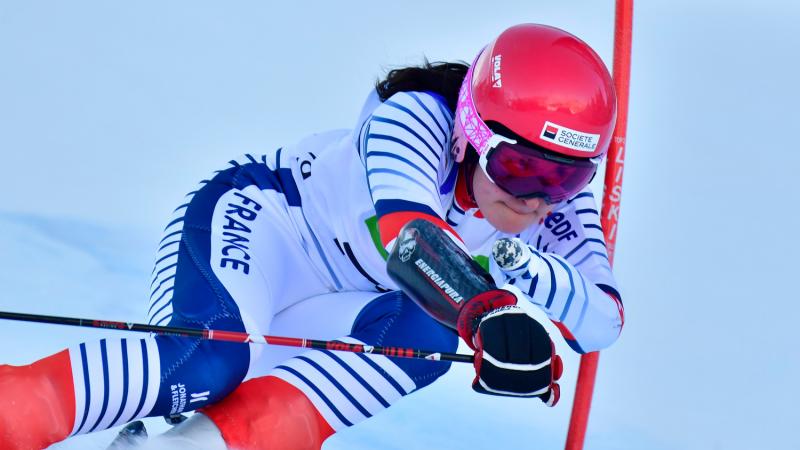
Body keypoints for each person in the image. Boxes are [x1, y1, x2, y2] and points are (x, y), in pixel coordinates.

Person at [0, 23, 624, 449]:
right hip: (268, 232)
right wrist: (487, 309)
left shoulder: (553, 210)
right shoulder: (416, 117)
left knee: (426, 335)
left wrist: (536, 275)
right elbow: (406, 236)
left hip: (348, 303)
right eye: (518, 166)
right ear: (473, 131)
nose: (535, 196)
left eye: (565, 178)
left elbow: (601, 323)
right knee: (207, 362)